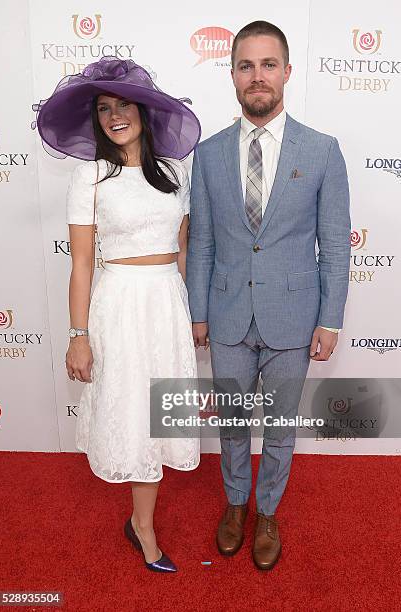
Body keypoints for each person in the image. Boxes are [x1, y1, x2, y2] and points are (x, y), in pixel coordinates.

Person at [186, 21, 351, 570]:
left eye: (268, 64)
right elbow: (204, 242)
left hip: (293, 317)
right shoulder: (206, 155)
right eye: (246, 66)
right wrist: (198, 312)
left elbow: (334, 245)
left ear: (286, 72)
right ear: (233, 75)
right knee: (232, 423)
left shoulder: (323, 150)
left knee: (280, 428)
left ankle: (268, 512)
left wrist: (330, 319)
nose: (258, 77)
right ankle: (235, 505)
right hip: (229, 314)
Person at [33, 56, 201, 573]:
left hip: (165, 302)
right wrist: (77, 335)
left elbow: (185, 249)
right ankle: (143, 527)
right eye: (104, 108)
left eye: (124, 103)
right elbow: (82, 264)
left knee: (159, 414)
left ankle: (139, 520)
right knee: (131, 414)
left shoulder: (174, 171)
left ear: (145, 110)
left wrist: (193, 314)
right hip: (120, 303)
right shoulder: (89, 178)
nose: (114, 115)